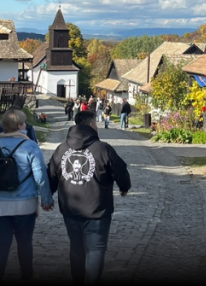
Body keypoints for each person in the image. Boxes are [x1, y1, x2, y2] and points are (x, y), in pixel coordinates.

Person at [48, 111, 131, 286]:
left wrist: (48, 194)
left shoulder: (62, 149)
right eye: (96, 123)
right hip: (97, 209)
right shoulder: (103, 149)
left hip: (71, 208)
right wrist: (124, 188)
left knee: (76, 247)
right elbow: (120, 170)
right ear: (92, 125)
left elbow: (51, 174)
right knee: (95, 249)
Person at [0, 109, 55, 283]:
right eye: (24, 123)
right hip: (24, 202)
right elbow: (40, 177)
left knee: (1, 243)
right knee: (24, 242)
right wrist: (46, 200)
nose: (26, 125)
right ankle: (27, 275)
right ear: (19, 126)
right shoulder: (30, 146)